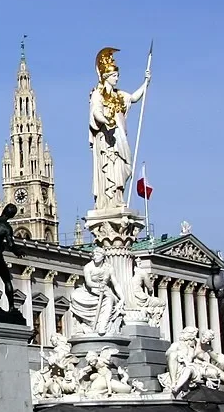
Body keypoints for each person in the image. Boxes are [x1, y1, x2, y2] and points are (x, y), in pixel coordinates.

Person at [89, 47, 150, 209]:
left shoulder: (119, 95)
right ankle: (110, 200)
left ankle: (118, 196)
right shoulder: (98, 94)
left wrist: (146, 83)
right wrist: (107, 121)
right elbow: (96, 112)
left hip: (119, 136)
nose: (117, 78)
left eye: (118, 75)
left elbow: (134, 98)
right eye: (115, 76)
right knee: (110, 168)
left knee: (124, 166)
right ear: (106, 76)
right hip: (106, 139)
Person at [69, 248, 123, 336]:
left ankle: (102, 325)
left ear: (103, 257)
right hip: (89, 291)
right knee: (74, 295)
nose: (95, 257)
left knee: (110, 299)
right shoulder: (88, 267)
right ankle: (88, 323)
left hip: (104, 291)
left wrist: (122, 298)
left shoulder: (109, 268)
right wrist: (98, 286)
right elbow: (88, 282)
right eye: (94, 255)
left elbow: (116, 284)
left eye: (98, 255)